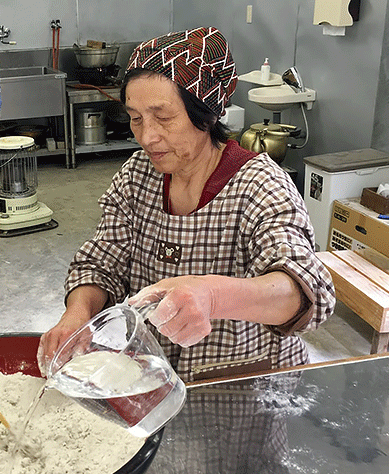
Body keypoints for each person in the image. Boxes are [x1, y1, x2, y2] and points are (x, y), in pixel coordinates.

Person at [38, 27, 335, 382]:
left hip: (244, 386)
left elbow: (306, 291)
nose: (147, 136)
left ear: (205, 113)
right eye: (135, 118)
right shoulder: (137, 176)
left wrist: (211, 296)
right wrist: (78, 313)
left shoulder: (260, 185)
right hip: (154, 378)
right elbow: (103, 263)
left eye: (163, 118)